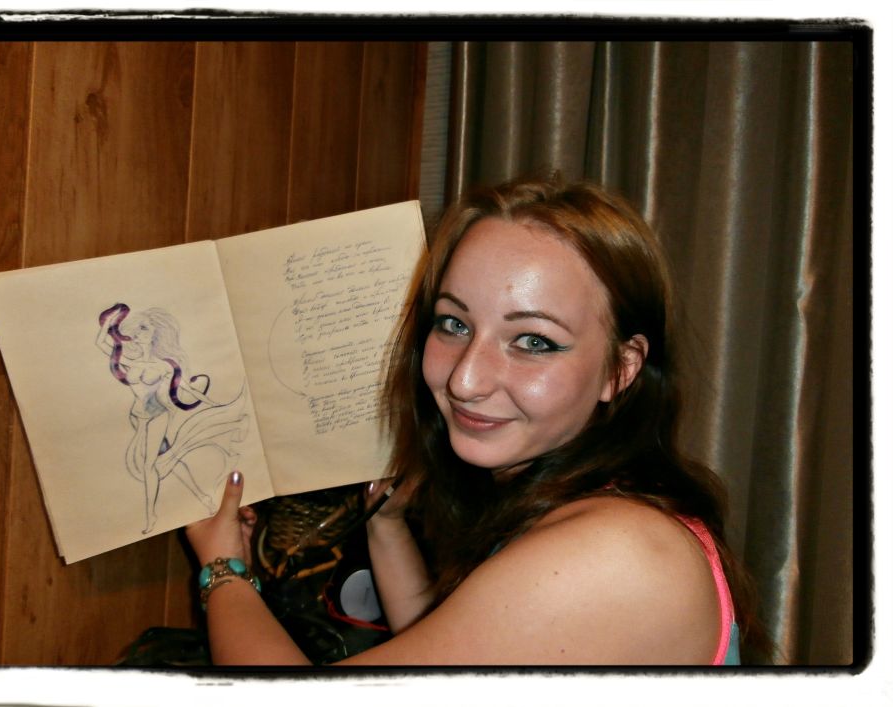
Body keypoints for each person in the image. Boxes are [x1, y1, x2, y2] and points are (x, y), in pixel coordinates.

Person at [185, 173, 767, 665]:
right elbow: (466, 642)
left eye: (534, 341)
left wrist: (223, 570)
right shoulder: (597, 505)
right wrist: (386, 527)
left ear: (622, 367)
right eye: (454, 324)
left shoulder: (612, 553)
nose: (465, 380)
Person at [97, 304, 249, 534]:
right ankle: (203, 496)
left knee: (148, 466)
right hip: (137, 418)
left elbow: (187, 388)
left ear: (154, 335)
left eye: (144, 329)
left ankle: (151, 516)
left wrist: (213, 403)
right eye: (138, 329)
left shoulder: (164, 366)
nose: (138, 333)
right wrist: (109, 324)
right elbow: (101, 343)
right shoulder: (130, 360)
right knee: (170, 461)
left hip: (157, 416)